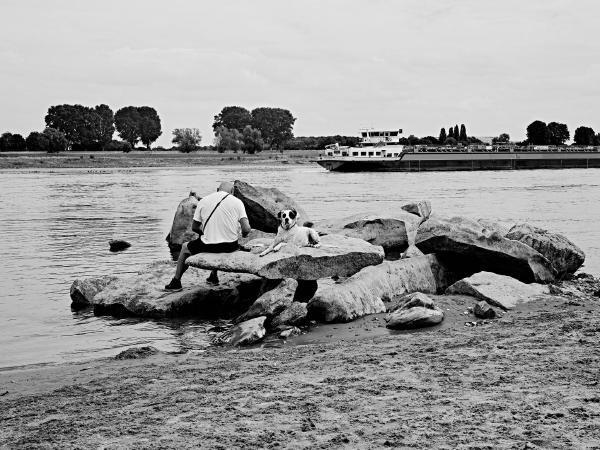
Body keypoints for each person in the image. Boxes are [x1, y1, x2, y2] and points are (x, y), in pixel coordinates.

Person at [164, 181, 251, 291]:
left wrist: (206, 234)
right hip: (230, 247)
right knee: (220, 239)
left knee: (185, 247)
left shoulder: (204, 201)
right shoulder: (237, 202)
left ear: (217, 189)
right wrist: (244, 234)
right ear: (232, 191)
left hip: (209, 246)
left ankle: (176, 282)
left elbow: (195, 227)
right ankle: (213, 276)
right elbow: (246, 229)